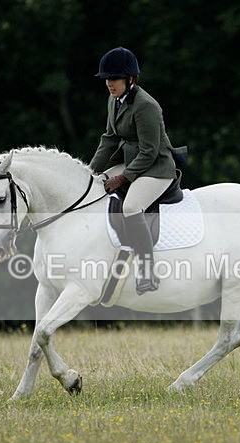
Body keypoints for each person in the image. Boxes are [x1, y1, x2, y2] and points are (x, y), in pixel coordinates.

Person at [89, 46, 177, 295]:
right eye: (107, 78)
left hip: (156, 167)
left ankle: (148, 271)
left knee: (131, 207)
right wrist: (90, 172)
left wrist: (122, 178)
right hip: (133, 161)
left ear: (130, 79)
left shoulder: (146, 106)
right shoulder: (114, 100)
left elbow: (149, 151)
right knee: (94, 186)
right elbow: (109, 139)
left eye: (114, 78)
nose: (109, 83)